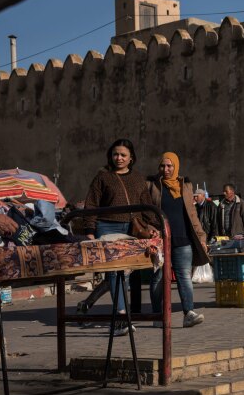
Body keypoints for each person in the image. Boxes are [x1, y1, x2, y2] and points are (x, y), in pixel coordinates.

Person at [78, 138, 160, 336]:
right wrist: (89, 229)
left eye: (123, 155)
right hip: (107, 227)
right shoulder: (102, 178)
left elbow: (146, 204)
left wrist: (155, 226)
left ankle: (113, 313)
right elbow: (92, 204)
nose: (119, 158)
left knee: (125, 274)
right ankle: (121, 317)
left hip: (133, 230)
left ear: (131, 158)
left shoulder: (138, 179)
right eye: (116, 154)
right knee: (114, 273)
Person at [148, 152, 210, 328]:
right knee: (158, 278)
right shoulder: (152, 185)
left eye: (170, 166)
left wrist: (201, 237)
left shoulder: (185, 185)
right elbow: (147, 213)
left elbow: (192, 214)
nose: (166, 169)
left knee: (184, 277)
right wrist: (151, 231)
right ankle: (157, 315)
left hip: (183, 239)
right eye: (163, 166)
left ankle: (188, 313)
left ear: (176, 166)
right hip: (161, 240)